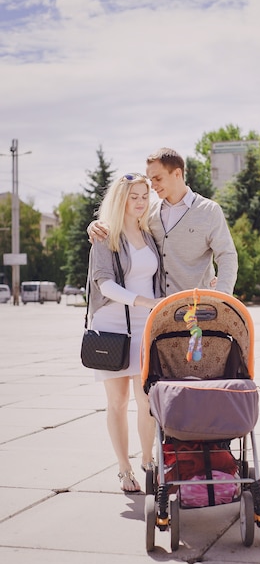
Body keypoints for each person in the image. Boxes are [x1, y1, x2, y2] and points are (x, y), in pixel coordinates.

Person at [87, 173, 161, 493]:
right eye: (134, 196)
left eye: (144, 195)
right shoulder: (105, 236)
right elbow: (104, 283)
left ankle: (148, 462)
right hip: (112, 327)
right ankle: (124, 468)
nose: (141, 201)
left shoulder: (150, 233)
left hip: (146, 326)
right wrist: (142, 301)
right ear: (121, 199)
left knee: (146, 399)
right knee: (117, 402)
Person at [88, 147, 238, 296]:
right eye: (151, 180)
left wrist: (222, 295)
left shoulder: (209, 211)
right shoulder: (149, 211)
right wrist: (95, 225)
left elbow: (227, 256)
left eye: (158, 179)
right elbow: (123, 224)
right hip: (160, 310)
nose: (153, 186)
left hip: (198, 309)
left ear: (177, 174)